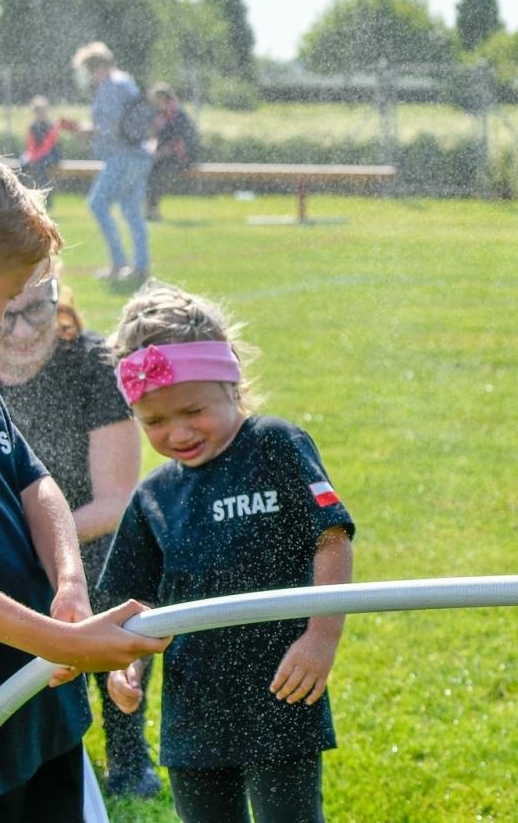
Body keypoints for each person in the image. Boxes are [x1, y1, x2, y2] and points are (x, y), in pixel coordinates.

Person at [0, 125, 166, 820]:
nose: (4, 324)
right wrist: (62, 641)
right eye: (3, 303)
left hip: (36, 707)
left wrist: (67, 585)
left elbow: (37, 483)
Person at [98, 281, 355, 823]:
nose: (178, 432)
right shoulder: (154, 496)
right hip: (194, 713)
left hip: (283, 691)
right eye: (155, 422)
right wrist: (129, 670)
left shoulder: (275, 446)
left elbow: (330, 536)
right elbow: (131, 602)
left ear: (231, 383)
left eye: (193, 410)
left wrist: (321, 636)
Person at [0, 268, 162, 798]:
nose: (20, 331)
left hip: (90, 539)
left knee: (116, 590)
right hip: (6, 546)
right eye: (6, 315)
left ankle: (128, 755)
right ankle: (33, 743)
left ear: (58, 298)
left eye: (37, 310)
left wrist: (41, 547)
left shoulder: (90, 364)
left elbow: (114, 502)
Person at [70, 42, 150, 282]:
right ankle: (140, 267)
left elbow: (110, 127)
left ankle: (119, 262)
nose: (89, 76)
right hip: (138, 156)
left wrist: (88, 131)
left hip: (122, 157)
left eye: (88, 70)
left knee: (98, 204)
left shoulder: (111, 86)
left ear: (97, 67)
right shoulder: (125, 81)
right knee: (132, 211)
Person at [144, 84, 199, 221]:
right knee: (149, 169)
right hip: (166, 156)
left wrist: (158, 154)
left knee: (158, 172)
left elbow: (178, 142)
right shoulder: (160, 115)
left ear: (164, 99)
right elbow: (154, 136)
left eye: (156, 101)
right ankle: (149, 208)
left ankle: (152, 209)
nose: (154, 104)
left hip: (182, 157)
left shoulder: (177, 114)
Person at [18, 96, 63, 197]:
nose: (40, 113)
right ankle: (24, 192)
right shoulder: (32, 126)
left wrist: (37, 157)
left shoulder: (52, 125)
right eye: (37, 111)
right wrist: (33, 156)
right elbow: (30, 144)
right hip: (34, 154)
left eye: (42, 111)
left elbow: (48, 145)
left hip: (50, 154)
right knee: (22, 164)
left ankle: (45, 193)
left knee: (42, 166)